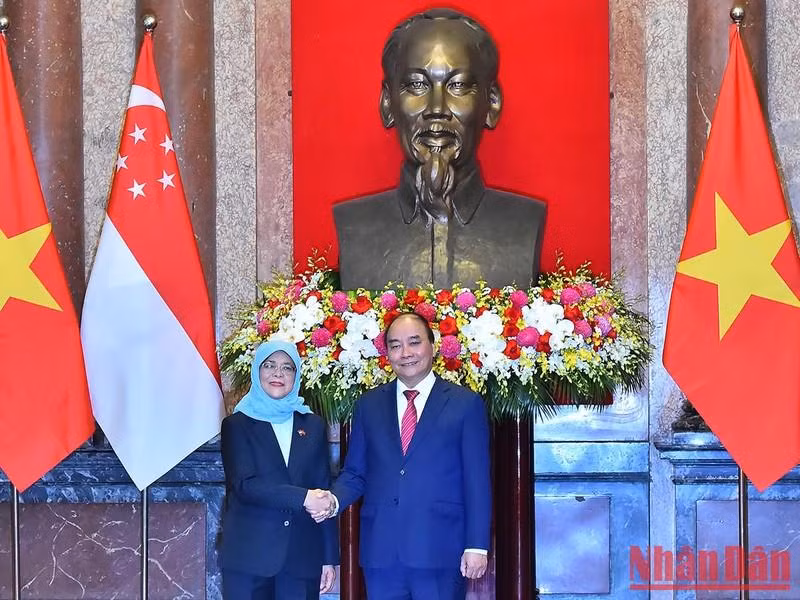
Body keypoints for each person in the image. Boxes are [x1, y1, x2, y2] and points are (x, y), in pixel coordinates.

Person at [334, 8, 546, 291]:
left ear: (491, 103)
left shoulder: (524, 223)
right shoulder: (355, 226)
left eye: (457, 85)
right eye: (416, 85)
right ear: (388, 103)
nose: (437, 109)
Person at [313, 312, 491, 599]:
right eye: (395, 345)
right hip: (382, 553)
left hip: (440, 549)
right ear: (387, 354)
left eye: (414, 342)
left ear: (432, 346)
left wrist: (477, 545)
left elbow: (477, 481)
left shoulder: (465, 404)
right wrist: (332, 501)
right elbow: (355, 473)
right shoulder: (369, 405)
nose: (405, 353)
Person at [219, 340, 338, 599]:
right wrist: (303, 497)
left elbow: (323, 487)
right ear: (256, 371)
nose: (278, 373)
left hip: (302, 557)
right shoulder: (237, 425)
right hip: (249, 558)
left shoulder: (313, 425)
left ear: (296, 376)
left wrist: (329, 558)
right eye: (269, 365)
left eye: (287, 368)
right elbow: (245, 485)